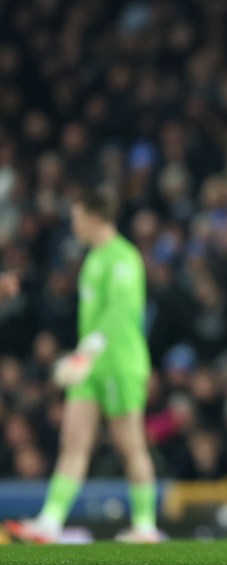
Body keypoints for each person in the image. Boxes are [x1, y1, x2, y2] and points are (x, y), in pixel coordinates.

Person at [4, 190, 159, 544]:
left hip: (120, 363)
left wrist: (86, 351)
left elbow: (120, 311)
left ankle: (145, 525)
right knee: (73, 441)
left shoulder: (123, 257)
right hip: (89, 366)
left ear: (94, 216)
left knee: (130, 444)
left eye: (76, 218)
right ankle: (50, 522)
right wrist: (85, 356)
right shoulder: (93, 259)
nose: (73, 225)